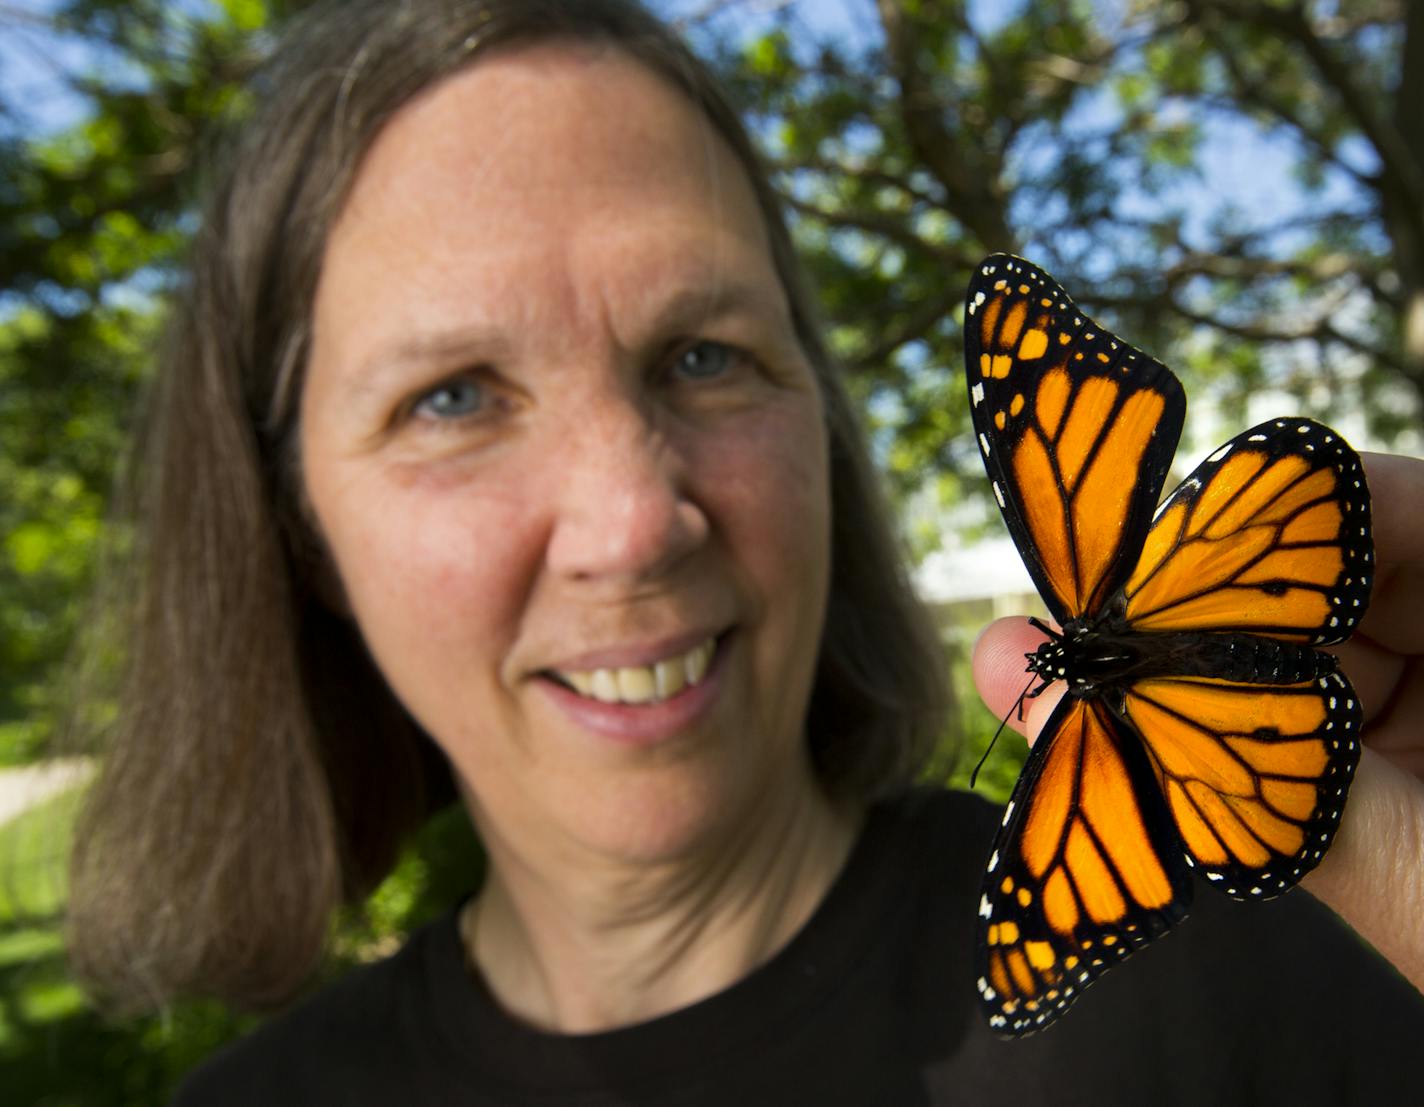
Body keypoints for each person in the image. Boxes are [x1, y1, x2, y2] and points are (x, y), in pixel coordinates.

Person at [62, 0, 1424, 1102]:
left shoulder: (1272, 943)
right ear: (299, 534)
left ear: (819, 430)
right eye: (454, 396)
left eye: (705, 356)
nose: (633, 520)